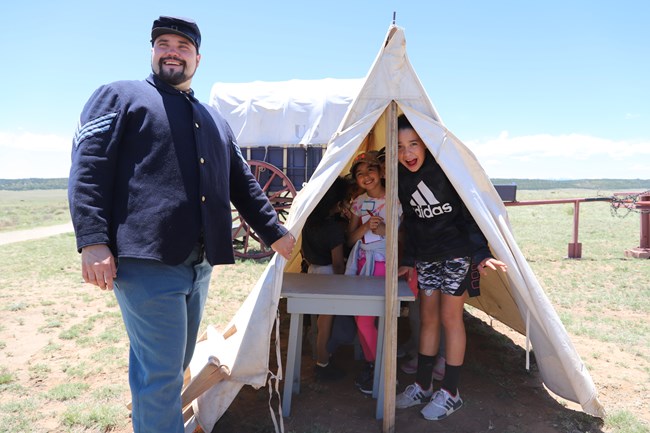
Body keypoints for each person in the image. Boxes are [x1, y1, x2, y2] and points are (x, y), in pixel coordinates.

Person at [67, 16, 295, 433]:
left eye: (182, 46)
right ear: (153, 52)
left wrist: (275, 232)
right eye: (163, 44)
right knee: (161, 374)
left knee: (163, 369)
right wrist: (93, 241)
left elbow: (241, 182)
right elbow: (89, 167)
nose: (173, 50)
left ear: (197, 58)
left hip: (200, 264)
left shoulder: (214, 120)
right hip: (147, 262)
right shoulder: (119, 96)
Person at [394, 114, 507, 421]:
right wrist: (408, 260)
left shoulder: (446, 171)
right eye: (400, 146)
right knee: (428, 318)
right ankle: (423, 384)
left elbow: (470, 215)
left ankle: (451, 392)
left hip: (457, 254)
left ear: (426, 145)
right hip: (427, 257)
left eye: (413, 144)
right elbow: (414, 222)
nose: (407, 153)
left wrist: (481, 253)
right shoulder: (403, 179)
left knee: (449, 318)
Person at [345, 150, 393, 394]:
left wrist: (385, 229)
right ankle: (374, 364)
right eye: (360, 173)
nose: (366, 176)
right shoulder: (359, 203)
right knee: (361, 317)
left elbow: (403, 238)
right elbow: (351, 238)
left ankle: (381, 368)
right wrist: (365, 227)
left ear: (381, 171)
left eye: (370, 170)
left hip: (385, 264)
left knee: (371, 318)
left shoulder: (395, 199)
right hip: (364, 263)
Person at [301, 177, 350, 381]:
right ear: (337, 204)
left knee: (321, 322)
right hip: (330, 276)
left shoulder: (309, 222)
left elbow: (304, 251)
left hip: (313, 272)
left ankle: (322, 356)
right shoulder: (334, 229)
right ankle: (322, 363)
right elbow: (338, 263)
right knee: (326, 324)